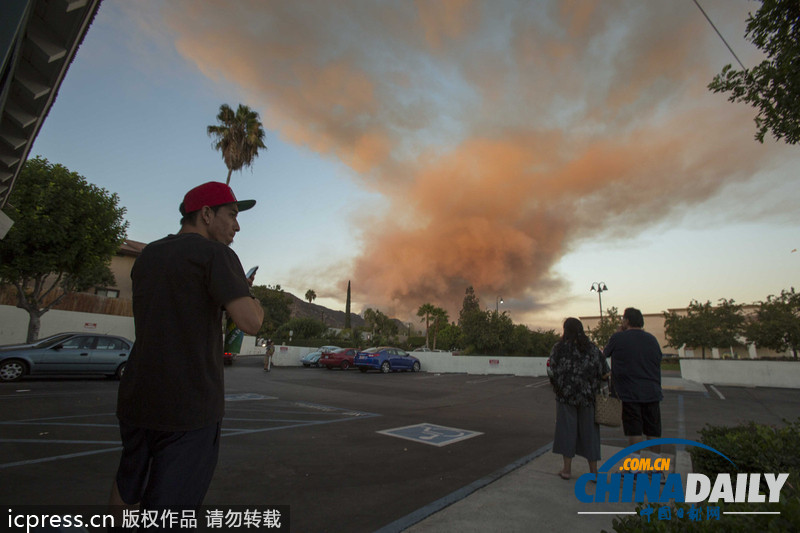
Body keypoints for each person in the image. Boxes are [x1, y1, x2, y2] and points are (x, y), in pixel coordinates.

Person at [110, 181, 264, 511]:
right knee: (171, 509)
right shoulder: (216, 255)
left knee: (127, 487)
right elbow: (251, 322)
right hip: (188, 406)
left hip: (137, 398)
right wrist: (247, 291)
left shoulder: (148, 255)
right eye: (232, 215)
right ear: (207, 214)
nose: (237, 225)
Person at [549, 317, 610, 480]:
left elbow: (551, 369)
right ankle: (594, 472)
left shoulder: (559, 348)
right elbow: (605, 372)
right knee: (590, 434)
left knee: (566, 432)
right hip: (588, 398)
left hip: (566, 397)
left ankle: (567, 470)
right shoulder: (592, 349)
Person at [603, 307, 663, 450]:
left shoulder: (618, 338)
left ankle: (635, 468)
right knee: (653, 432)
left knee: (634, 431)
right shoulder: (652, 339)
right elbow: (657, 359)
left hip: (630, 392)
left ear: (627, 321)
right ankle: (656, 468)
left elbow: (604, 354)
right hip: (652, 391)